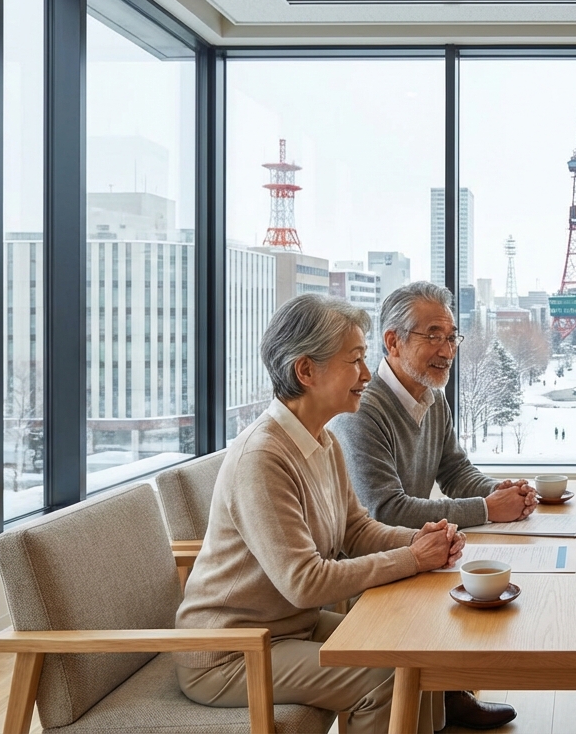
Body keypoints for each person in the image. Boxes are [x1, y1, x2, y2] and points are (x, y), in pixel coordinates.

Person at [174, 294, 465, 733]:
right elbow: (305, 582)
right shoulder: (263, 457)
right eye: (355, 360)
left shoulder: (322, 441)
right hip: (231, 653)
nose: (368, 374)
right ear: (305, 370)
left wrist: (420, 540)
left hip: (291, 630)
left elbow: (356, 529)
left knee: (414, 653)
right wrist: (412, 559)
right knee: (387, 678)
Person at [329, 281, 529, 729]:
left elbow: (456, 472)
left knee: (474, 568)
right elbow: (384, 510)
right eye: (433, 335)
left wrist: (503, 492)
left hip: (409, 549)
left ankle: (448, 693)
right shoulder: (360, 410)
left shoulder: (432, 398)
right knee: (467, 573)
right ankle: (443, 699)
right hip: (369, 566)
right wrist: (485, 510)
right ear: (393, 342)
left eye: (452, 335)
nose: (447, 348)